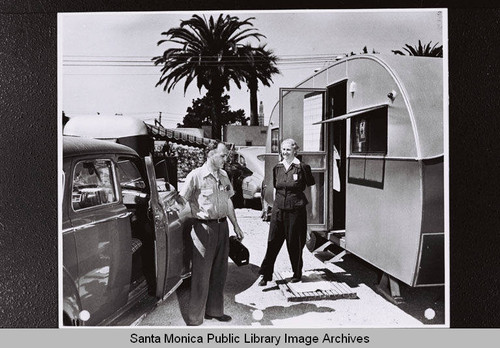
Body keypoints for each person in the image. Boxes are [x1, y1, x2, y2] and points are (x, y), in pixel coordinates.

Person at [179, 141, 244, 326]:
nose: (226, 159)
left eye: (226, 156)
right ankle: (194, 318)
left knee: (219, 272)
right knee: (201, 274)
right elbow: (182, 200)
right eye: (223, 155)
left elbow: (229, 202)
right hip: (203, 228)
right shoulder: (196, 176)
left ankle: (214, 311)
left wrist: (236, 226)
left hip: (222, 227)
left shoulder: (224, 175)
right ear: (210, 154)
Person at [258, 138, 317, 286]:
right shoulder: (277, 167)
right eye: (283, 149)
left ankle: (297, 274)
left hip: (296, 211)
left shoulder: (302, 167)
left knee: (295, 243)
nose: (285, 152)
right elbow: (276, 188)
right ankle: (265, 275)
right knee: (272, 242)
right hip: (278, 210)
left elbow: (313, 187)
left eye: (288, 149)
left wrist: (314, 208)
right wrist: (273, 207)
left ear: (295, 150)